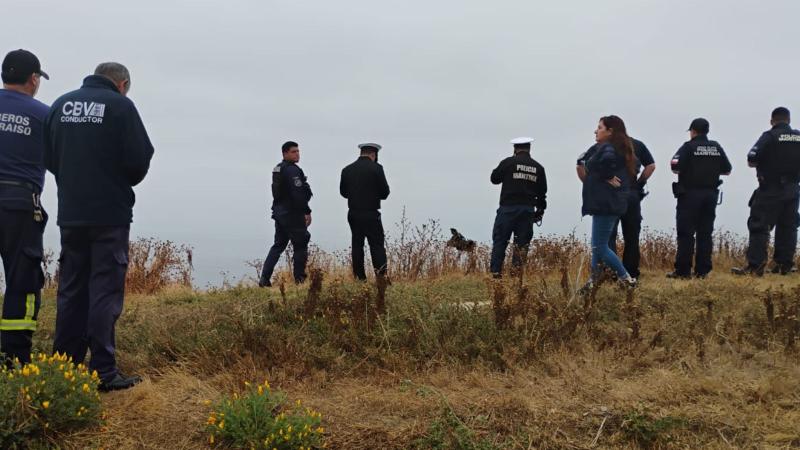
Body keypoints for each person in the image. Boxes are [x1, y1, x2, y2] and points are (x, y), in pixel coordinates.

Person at [44, 62, 154, 391]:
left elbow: (49, 157)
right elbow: (139, 159)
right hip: (109, 215)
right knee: (104, 292)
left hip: (72, 213)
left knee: (72, 290)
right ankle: (104, 372)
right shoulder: (122, 106)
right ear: (121, 84)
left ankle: (64, 366)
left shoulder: (60, 105)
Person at [0, 49, 49, 366]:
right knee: (23, 281)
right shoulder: (43, 115)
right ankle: (14, 359)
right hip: (18, 204)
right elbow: (62, 162)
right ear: (34, 79)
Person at [733, 107, 800, 276]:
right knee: (788, 227)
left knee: (759, 225)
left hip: (770, 189)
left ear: (772, 121)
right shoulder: (798, 136)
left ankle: (755, 266)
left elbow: (752, 158)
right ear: (789, 120)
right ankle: (784, 265)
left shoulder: (769, 136)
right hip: (793, 188)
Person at [577, 137, 655, 279]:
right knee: (632, 236)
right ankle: (631, 273)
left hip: (610, 196)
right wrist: (639, 184)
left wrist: (593, 184)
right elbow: (651, 166)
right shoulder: (637, 144)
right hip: (631, 194)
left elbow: (581, 166)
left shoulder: (600, 147)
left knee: (606, 239)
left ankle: (614, 275)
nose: (596, 131)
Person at [667, 118, 731, 279]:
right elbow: (727, 169)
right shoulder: (716, 147)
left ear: (693, 131)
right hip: (710, 195)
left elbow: (674, 165)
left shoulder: (688, 147)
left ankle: (683, 271)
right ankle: (703, 271)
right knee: (705, 233)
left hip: (690, 195)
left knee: (686, 233)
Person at [580, 116, 638, 292]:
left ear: (610, 131)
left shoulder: (607, 147)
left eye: (599, 127)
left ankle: (626, 279)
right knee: (598, 244)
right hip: (608, 203)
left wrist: (605, 176)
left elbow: (605, 162)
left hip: (606, 203)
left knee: (599, 246)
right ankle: (593, 281)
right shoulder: (619, 148)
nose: (596, 131)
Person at [489, 137, 547, 277]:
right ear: (529, 149)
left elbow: (494, 179)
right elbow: (542, 193)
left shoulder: (508, 163)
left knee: (500, 242)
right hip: (527, 211)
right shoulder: (538, 167)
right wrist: (539, 211)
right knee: (521, 246)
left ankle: (496, 274)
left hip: (507, 210)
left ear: (515, 149)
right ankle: (516, 277)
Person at [259, 141, 312, 287]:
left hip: (280, 213)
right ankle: (300, 280)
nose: (297, 154)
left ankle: (264, 279)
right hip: (292, 214)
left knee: (278, 245)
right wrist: (306, 211)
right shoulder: (292, 170)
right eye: (293, 152)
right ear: (285, 153)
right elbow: (298, 194)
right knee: (301, 244)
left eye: (298, 151)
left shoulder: (278, 169)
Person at [340, 143, 390, 281]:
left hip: (353, 213)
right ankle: (381, 277)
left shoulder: (347, 170)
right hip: (371, 213)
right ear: (373, 155)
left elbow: (343, 192)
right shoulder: (377, 169)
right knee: (377, 245)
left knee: (357, 245)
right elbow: (385, 193)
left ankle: (359, 278)